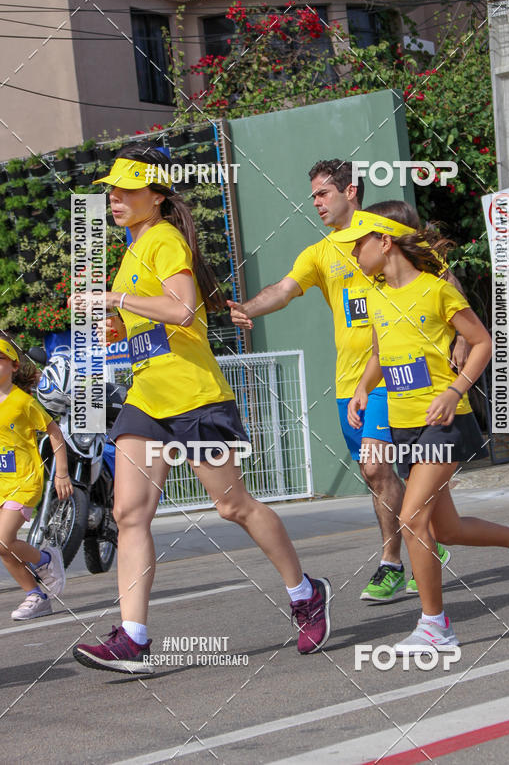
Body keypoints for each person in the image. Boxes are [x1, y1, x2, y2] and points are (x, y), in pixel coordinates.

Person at [71, 144, 331, 674]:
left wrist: (114, 301)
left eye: (127, 190)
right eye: (111, 190)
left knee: (233, 506)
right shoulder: (133, 248)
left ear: (157, 196)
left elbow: (184, 309)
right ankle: (133, 638)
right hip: (147, 398)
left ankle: (305, 593)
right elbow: (152, 323)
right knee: (128, 513)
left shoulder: (164, 240)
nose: (115, 198)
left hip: (194, 398)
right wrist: (116, 329)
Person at [229, 160, 459, 602]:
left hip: (398, 375)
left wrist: (462, 341)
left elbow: (444, 278)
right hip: (351, 383)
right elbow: (284, 289)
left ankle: (393, 561)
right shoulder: (319, 253)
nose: (315, 203)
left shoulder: (385, 231)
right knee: (378, 477)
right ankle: (426, 543)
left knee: (378, 465)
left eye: (323, 193)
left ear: (350, 191)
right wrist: (248, 308)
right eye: (313, 195)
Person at [342, 202, 509, 650]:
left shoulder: (436, 291)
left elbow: (483, 342)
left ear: (385, 242)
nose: (353, 253)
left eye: (358, 244)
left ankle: (435, 626)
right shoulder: (375, 295)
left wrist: (455, 391)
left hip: (444, 420)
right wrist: (363, 387)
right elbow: (381, 353)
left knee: (412, 517)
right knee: (446, 529)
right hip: (403, 426)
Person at [0, 332, 71, 620]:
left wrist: (62, 473)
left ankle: (45, 559)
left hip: (24, 481)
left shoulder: (23, 402)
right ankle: (36, 596)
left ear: (14, 366)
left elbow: (54, 432)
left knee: (3, 540)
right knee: (4, 548)